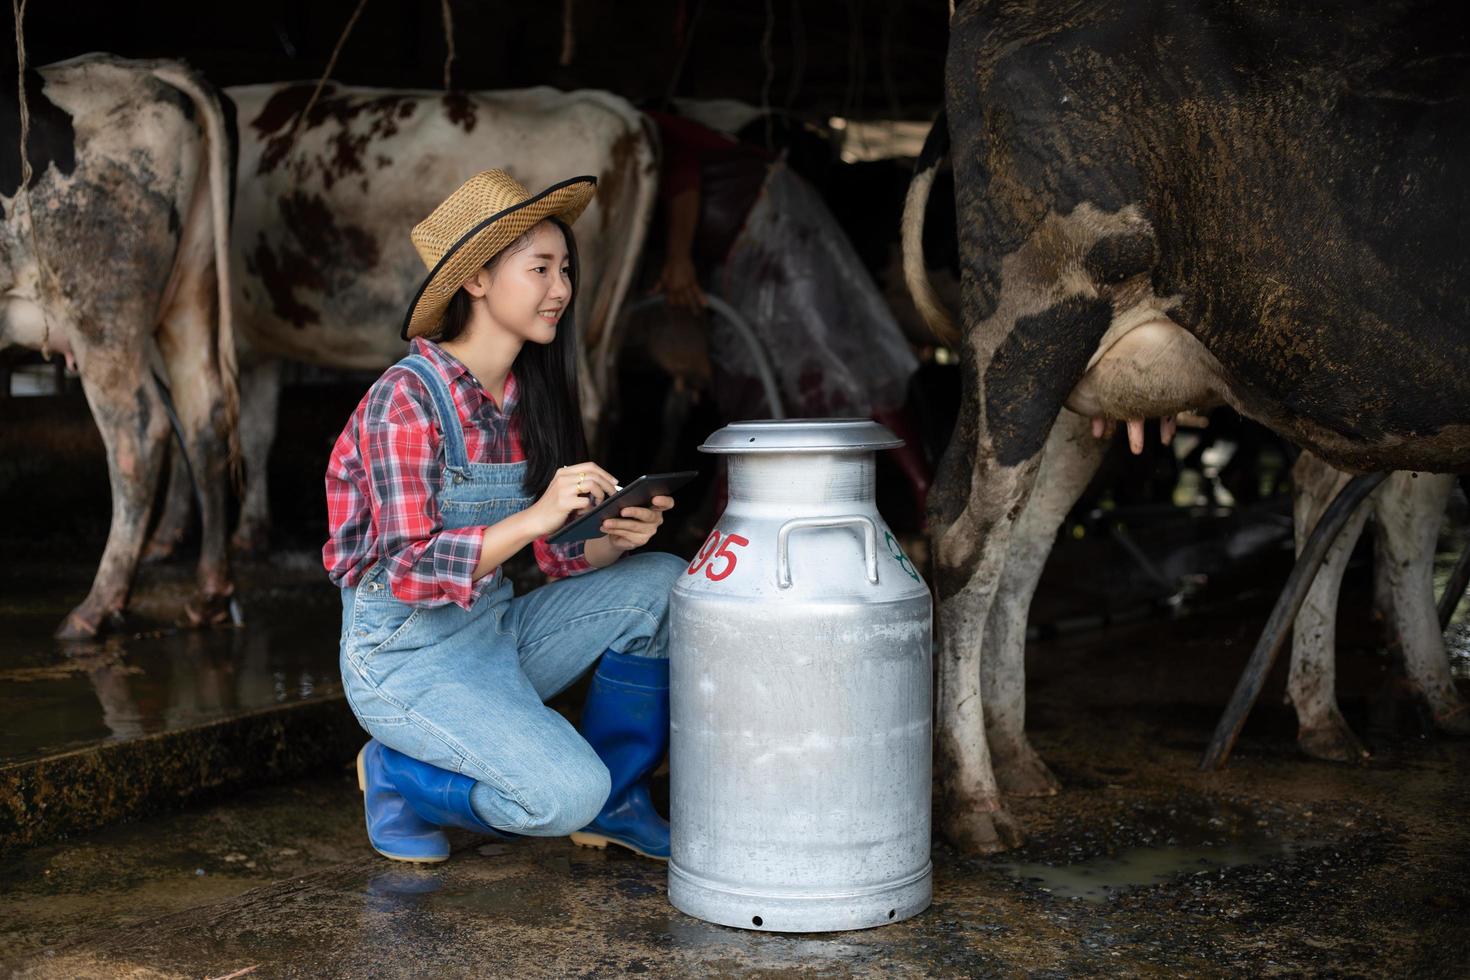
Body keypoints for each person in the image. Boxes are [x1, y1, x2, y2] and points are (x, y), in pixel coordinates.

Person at [323, 170, 685, 864]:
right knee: (560, 796)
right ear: (477, 281)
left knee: (662, 581)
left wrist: (612, 537)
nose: (562, 290)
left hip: (491, 636)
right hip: (403, 659)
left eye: (565, 269)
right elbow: (407, 571)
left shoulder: (527, 398)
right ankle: (399, 778)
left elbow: (555, 560)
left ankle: (619, 802)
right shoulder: (406, 401)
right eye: (540, 269)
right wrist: (538, 515)